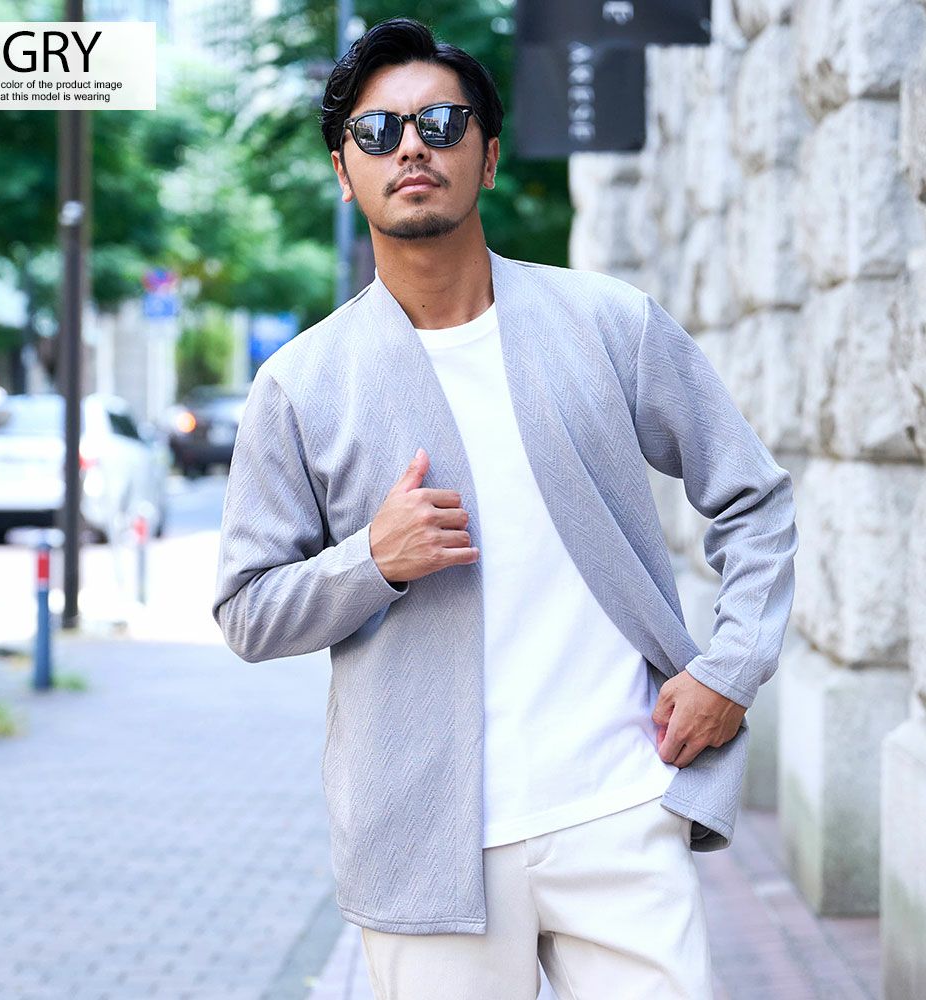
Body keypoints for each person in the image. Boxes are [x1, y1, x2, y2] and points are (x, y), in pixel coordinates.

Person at [213, 16, 798, 1000]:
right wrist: (371, 560)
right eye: (377, 131)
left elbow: (753, 496)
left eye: (441, 124)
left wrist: (731, 668)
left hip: (620, 808)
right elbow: (246, 610)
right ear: (343, 171)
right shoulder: (301, 385)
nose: (411, 147)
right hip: (424, 843)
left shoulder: (607, 323)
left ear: (486, 158)